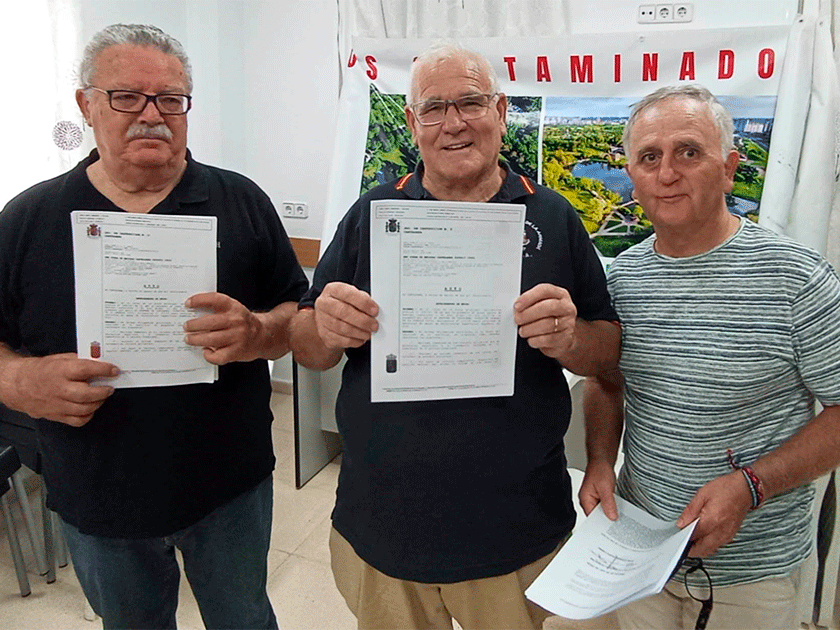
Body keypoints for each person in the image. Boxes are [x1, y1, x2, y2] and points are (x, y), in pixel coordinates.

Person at [289, 42, 621, 630]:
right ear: (412, 122)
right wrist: (325, 327)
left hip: (518, 527)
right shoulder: (372, 214)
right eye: (434, 108)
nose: (454, 123)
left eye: (470, 102)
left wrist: (570, 339)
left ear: (500, 110)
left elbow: (606, 352)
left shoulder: (552, 216)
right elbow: (309, 348)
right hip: (385, 524)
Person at [0, 24, 308, 630]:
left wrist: (256, 332)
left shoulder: (242, 201)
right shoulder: (28, 218)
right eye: (126, 97)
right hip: (97, 492)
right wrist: (17, 381)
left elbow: (296, 315)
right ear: (86, 104)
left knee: (244, 618)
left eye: (170, 99)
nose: (152, 115)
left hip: (229, 486)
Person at [580, 84, 840, 629]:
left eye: (688, 152)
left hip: (753, 574)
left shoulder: (795, 279)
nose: (667, 173)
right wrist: (601, 459)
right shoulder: (623, 278)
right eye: (649, 157)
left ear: (728, 169)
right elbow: (607, 381)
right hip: (642, 555)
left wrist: (752, 485)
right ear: (632, 175)